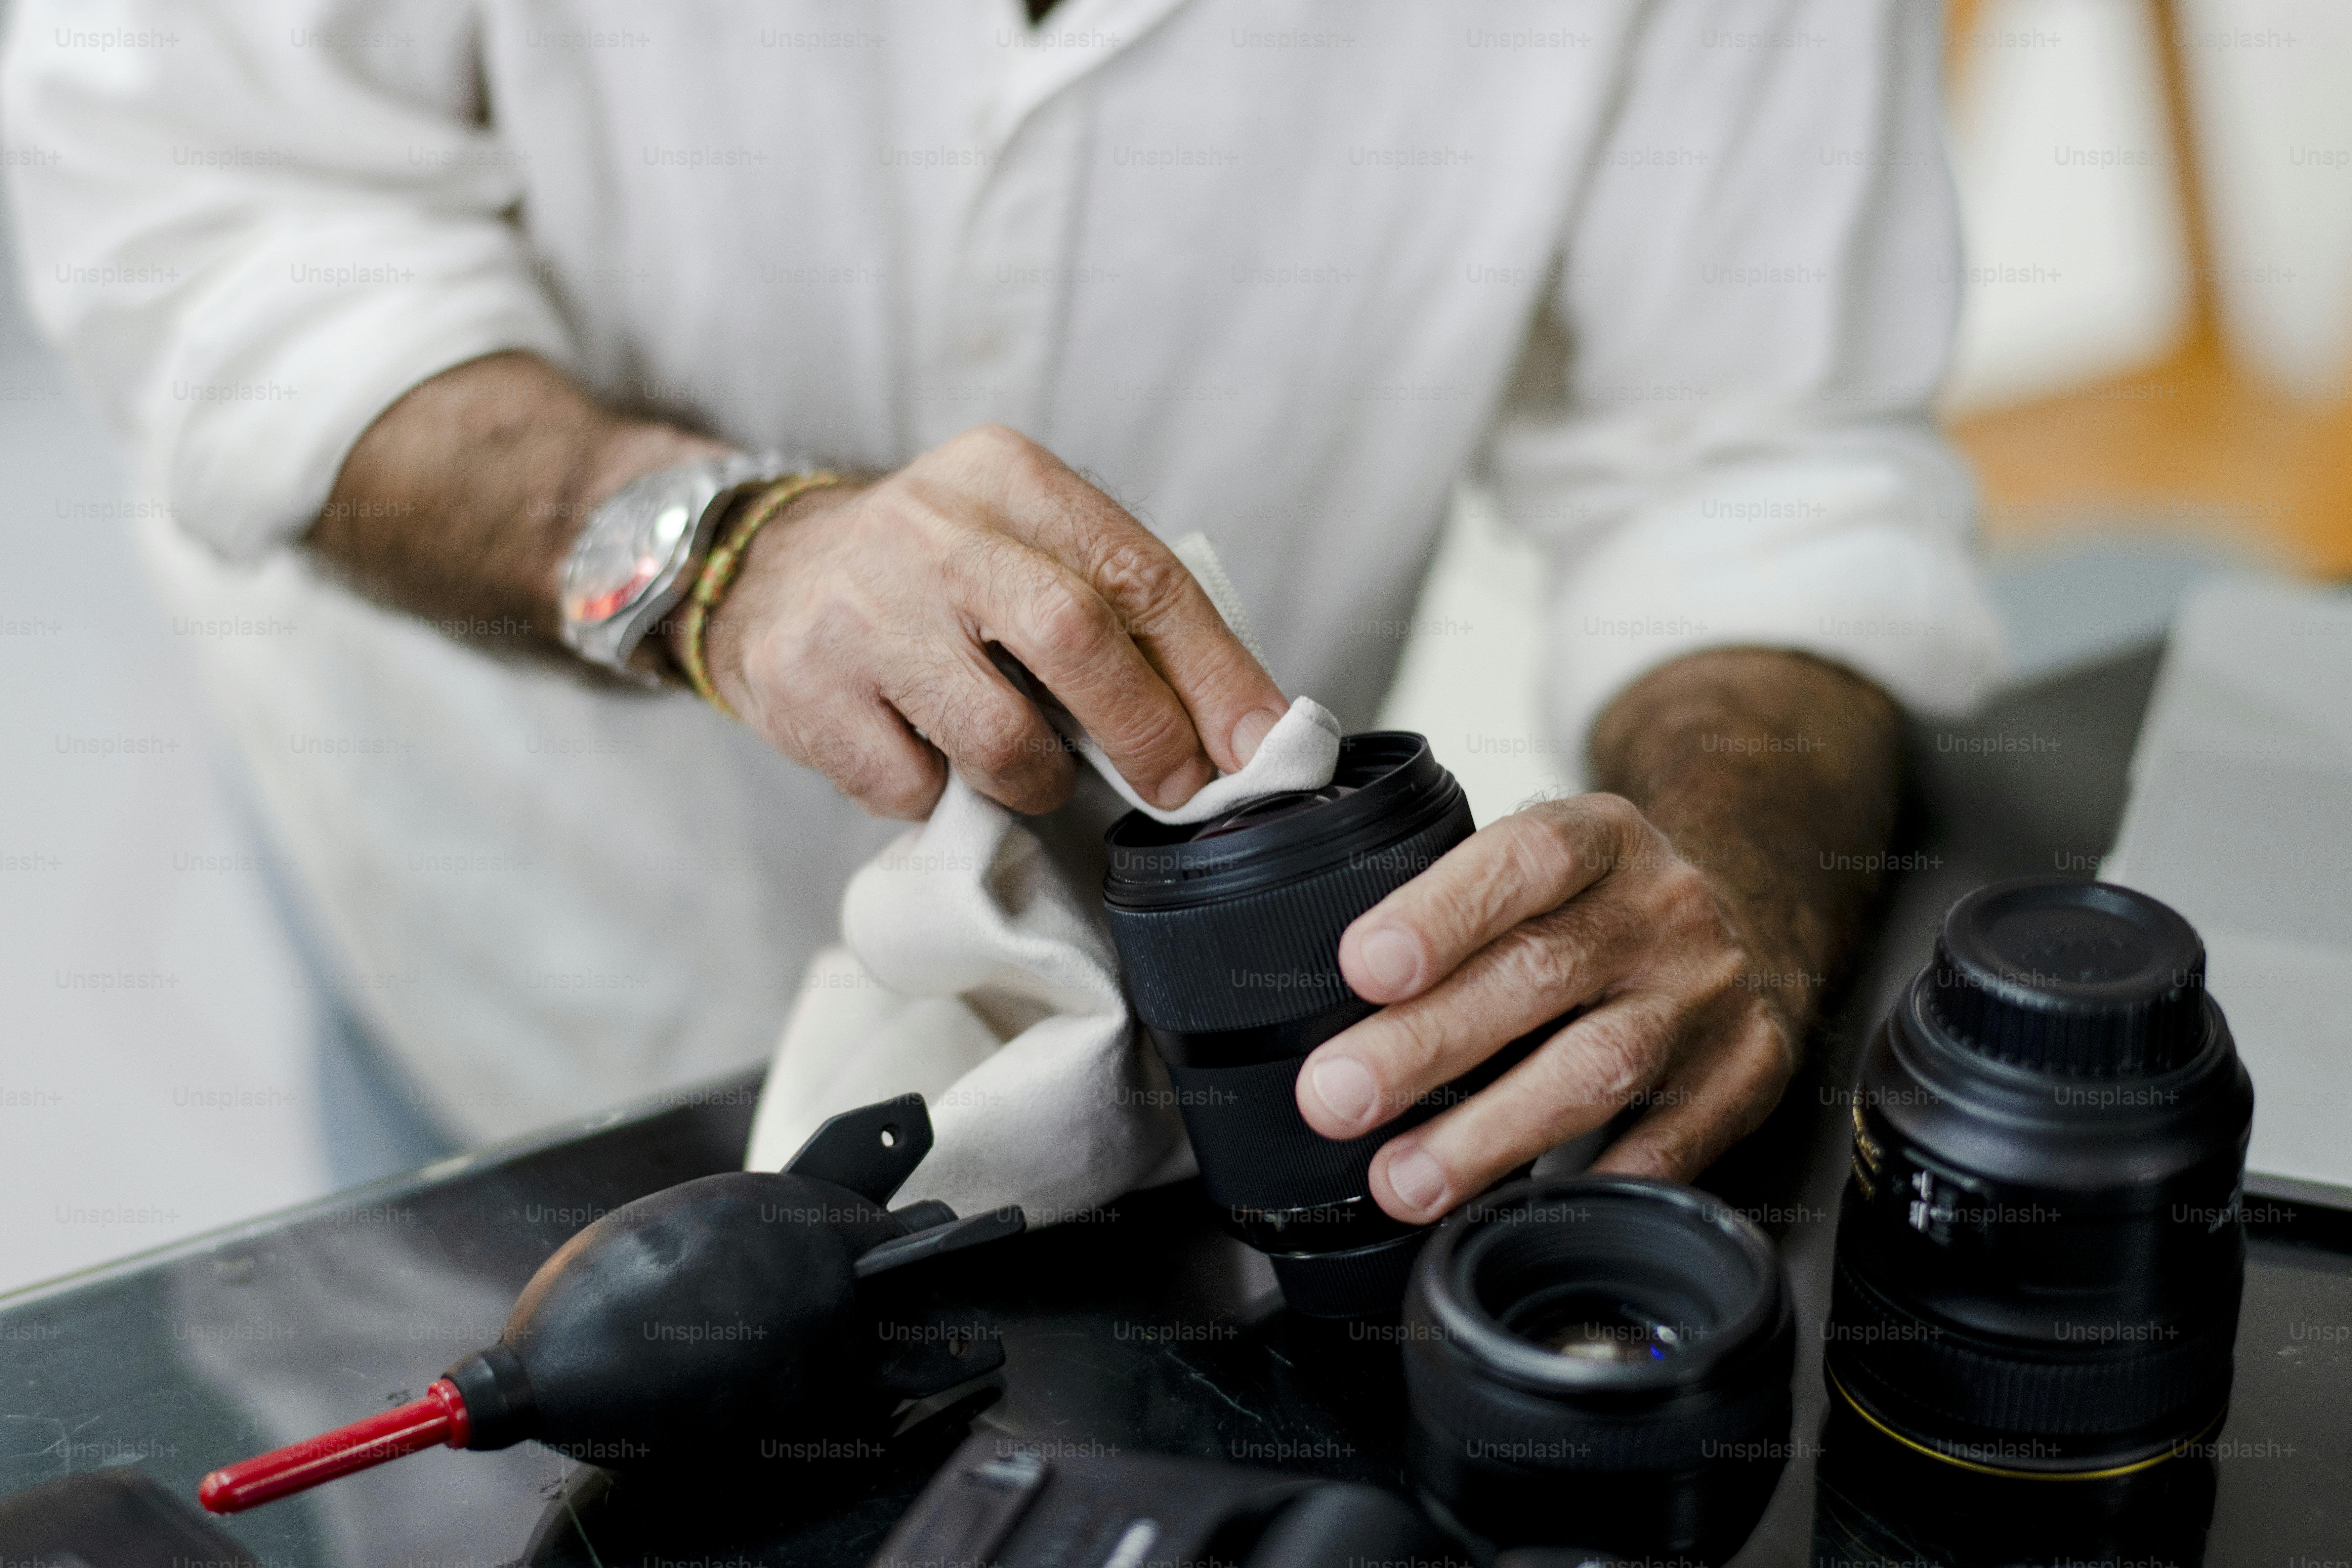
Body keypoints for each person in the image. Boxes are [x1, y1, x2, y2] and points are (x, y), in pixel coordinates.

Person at [3, 0, 2001, 1221]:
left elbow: (1758, 456)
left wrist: (1734, 877)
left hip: (1189, 1077)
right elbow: (213, 208)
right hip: (518, 960)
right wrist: (705, 552)